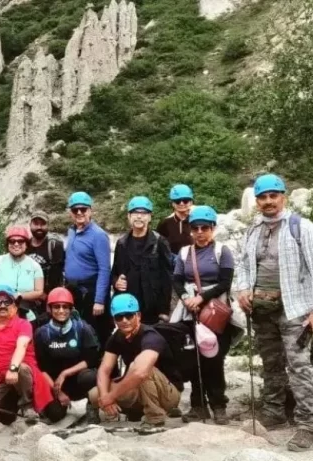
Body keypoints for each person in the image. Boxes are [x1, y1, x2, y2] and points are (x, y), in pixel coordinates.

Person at [236, 174, 313, 452]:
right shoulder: (253, 230)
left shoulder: (301, 227)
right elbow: (244, 265)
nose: (268, 201)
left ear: (284, 197)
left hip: (295, 309)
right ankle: (274, 410)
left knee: (299, 366)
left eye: (273, 195)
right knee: (270, 362)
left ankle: (308, 424)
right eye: (263, 197)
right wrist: (243, 289)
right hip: (263, 308)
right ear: (256, 200)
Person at [171, 205, 235, 425]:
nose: (200, 232)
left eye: (205, 227)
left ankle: (218, 405)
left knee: (214, 359)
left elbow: (226, 282)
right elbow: (177, 279)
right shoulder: (183, 253)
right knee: (193, 359)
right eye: (195, 228)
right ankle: (198, 405)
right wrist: (185, 298)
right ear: (190, 230)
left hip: (216, 313)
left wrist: (202, 297)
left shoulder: (222, 251)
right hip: (191, 312)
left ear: (213, 228)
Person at [89, 294, 182, 429]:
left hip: (168, 393)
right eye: (119, 317)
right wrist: (105, 397)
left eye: (129, 315)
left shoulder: (151, 336)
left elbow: (140, 372)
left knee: (140, 367)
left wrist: (112, 396)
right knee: (94, 394)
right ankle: (136, 411)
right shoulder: (116, 338)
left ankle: (155, 418)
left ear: (138, 316)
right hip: (138, 388)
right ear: (114, 320)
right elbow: (104, 369)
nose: (125, 320)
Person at [0, 285, 53, 427]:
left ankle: (28, 406)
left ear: (14, 305)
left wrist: (13, 368)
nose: (2, 305)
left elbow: (21, 346)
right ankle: (10, 419)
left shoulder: (23, 324)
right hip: (2, 378)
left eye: (7, 301)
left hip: (24, 374)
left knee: (21, 369)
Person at [35, 287, 100, 424]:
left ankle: (92, 407)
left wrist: (65, 373)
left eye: (65, 307)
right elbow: (41, 368)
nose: (61, 311)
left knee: (90, 376)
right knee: (55, 414)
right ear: (50, 309)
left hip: (77, 380)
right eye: (56, 307)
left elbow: (91, 359)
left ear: (71, 309)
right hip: (55, 384)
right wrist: (58, 392)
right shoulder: (42, 333)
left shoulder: (82, 328)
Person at [111, 196, 173, 325]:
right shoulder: (122, 243)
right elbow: (114, 272)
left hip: (153, 308)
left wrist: (164, 311)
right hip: (128, 307)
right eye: (135, 213)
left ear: (149, 217)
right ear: (129, 216)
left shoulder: (159, 242)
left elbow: (167, 278)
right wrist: (116, 282)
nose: (139, 217)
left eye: (143, 213)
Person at [64, 192, 113, 348]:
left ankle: (101, 369)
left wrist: (99, 300)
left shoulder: (98, 235)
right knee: (76, 331)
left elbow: (104, 269)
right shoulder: (71, 231)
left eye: (83, 209)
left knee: (95, 334)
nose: (79, 213)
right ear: (70, 212)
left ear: (90, 211)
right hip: (74, 290)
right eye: (75, 210)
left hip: (90, 291)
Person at [0, 227, 44, 325]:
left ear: (26, 244)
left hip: (25, 306)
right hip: (0, 305)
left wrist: (19, 295)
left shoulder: (34, 265)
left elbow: (39, 291)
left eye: (20, 241)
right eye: (12, 241)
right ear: (8, 244)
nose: (16, 244)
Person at [27, 211, 65, 294]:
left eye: (43, 224)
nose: (39, 227)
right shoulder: (25, 245)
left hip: (49, 296)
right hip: (28, 294)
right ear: (30, 225)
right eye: (36, 224)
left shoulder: (55, 245)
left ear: (48, 226)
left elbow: (57, 276)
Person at [156, 184, 194, 255]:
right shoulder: (165, 223)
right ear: (173, 203)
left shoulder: (196, 221)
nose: (181, 203)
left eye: (185, 200)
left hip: (194, 262)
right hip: (173, 263)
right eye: (177, 201)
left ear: (191, 202)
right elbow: (159, 246)